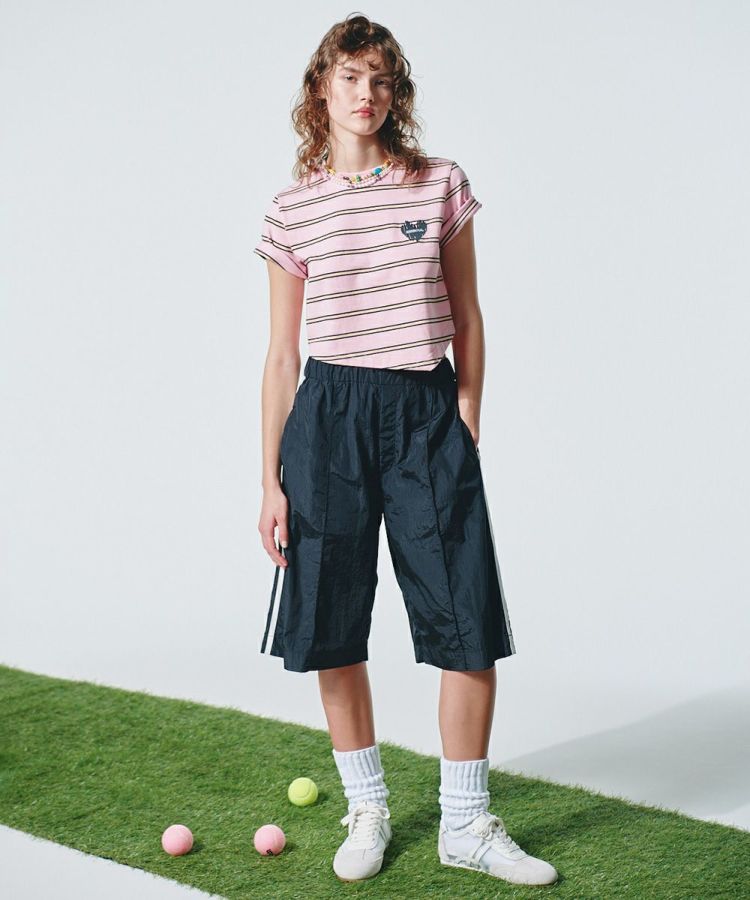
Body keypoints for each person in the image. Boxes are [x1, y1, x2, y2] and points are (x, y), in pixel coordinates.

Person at [254, 13, 558, 888]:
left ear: (398, 93)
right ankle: (368, 806)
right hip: (328, 417)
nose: (367, 93)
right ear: (321, 89)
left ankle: (465, 823)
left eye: (381, 79)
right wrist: (269, 480)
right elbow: (281, 354)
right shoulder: (292, 208)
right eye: (351, 77)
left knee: (466, 616)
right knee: (330, 621)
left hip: (424, 410)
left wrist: (466, 409)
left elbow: (468, 313)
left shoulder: (438, 184)